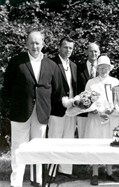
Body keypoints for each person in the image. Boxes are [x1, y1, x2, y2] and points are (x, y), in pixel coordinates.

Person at [2, 30, 60, 187]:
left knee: (38, 148)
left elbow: (56, 91)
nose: (35, 46)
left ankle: (37, 181)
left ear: (43, 44)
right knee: (18, 149)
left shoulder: (52, 65)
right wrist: (11, 107)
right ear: (26, 44)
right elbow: (6, 88)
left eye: (37, 43)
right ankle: (16, 183)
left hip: (41, 114)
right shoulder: (16, 62)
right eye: (31, 43)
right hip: (20, 112)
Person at [84, 56, 119, 185]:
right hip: (96, 118)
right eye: (101, 67)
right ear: (97, 68)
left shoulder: (115, 81)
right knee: (95, 144)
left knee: (109, 143)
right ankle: (95, 172)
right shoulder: (91, 83)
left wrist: (113, 109)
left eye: (106, 67)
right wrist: (97, 111)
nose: (103, 70)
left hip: (111, 118)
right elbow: (86, 100)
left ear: (110, 68)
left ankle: (109, 171)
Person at [48, 36, 77, 179]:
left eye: (71, 48)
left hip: (71, 109)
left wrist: (75, 102)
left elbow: (73, 87)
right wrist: (60, 101)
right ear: (59, 47)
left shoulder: (74, 65)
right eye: (65, 47)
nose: (68, 50)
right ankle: (51, 172)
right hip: (56, 109)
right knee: (54, 139)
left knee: (68, 140)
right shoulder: (51, 63)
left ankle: (65, 170)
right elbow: (48, 87)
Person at [77, 42, 100, 138]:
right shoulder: (78, 68)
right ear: (86, 52)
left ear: (99, 52)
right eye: (91, 51)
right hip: (82, 111)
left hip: (99, 112)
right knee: (82, 137)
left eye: (95, 51)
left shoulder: (103, 69)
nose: (93, 54)